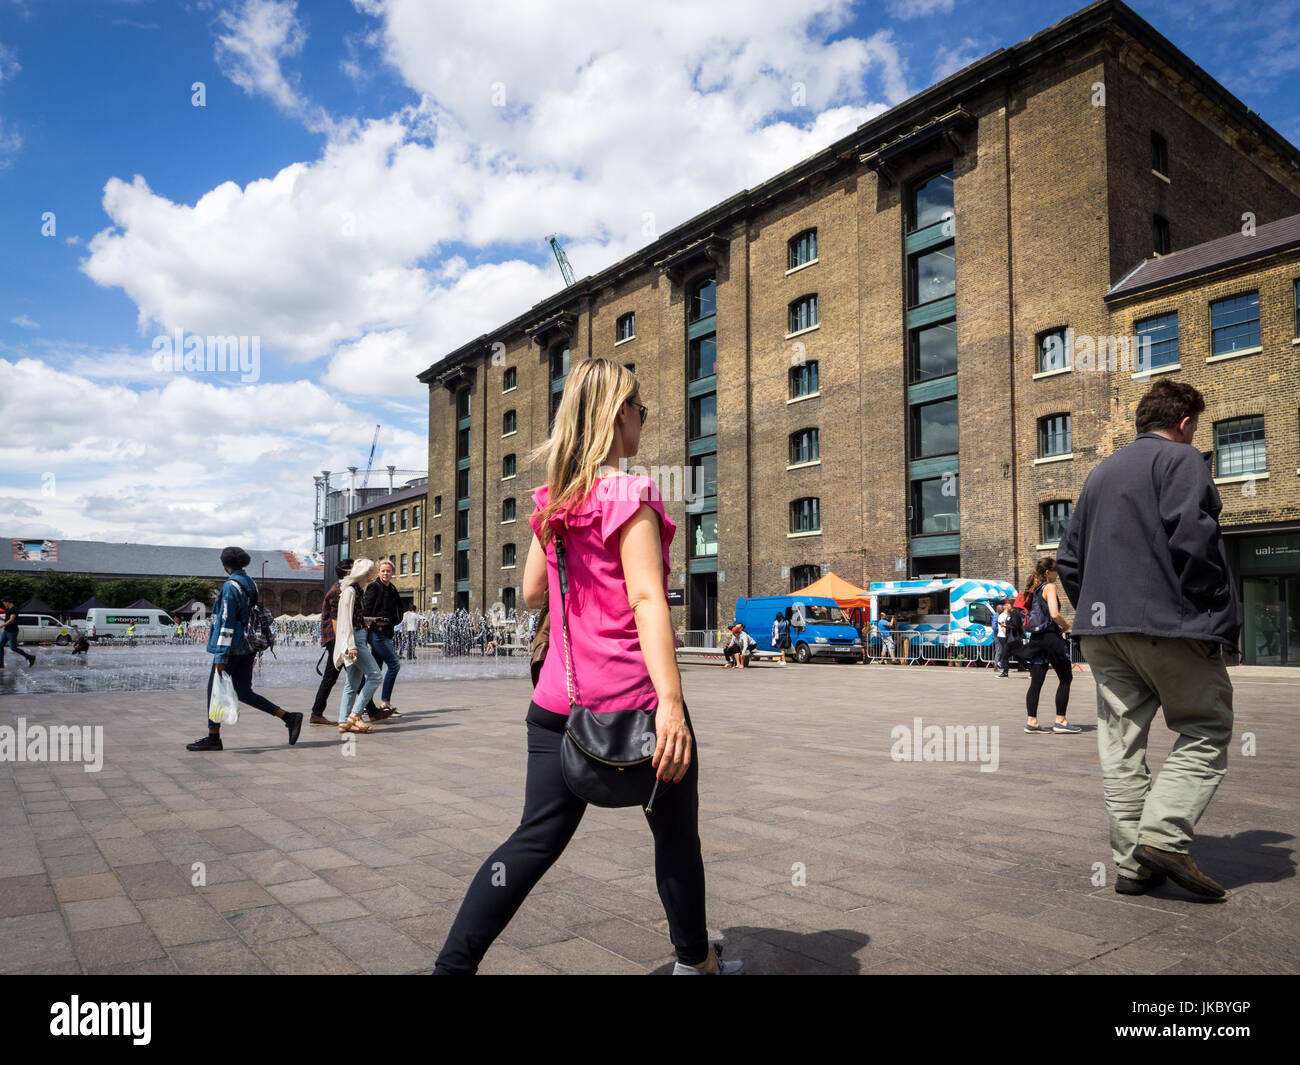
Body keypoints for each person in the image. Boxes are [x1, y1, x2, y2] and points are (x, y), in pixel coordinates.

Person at [434, 358, 741, 975]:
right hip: (636, 706)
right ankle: (694, 964)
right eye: (639, 408)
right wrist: (674, 706)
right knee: (676, 840)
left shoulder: (552, 502)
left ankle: (452, 968)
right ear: (618, 414)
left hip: (557, 705)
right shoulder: (630, 494)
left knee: (532, 840)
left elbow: (527, 594)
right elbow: (648, 599)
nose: (643, 420)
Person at [1057, 379, 1240, 899]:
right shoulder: (1183, 461)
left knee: (1121, 748)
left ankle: (1132, 866)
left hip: (1102, 633)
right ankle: (1163, 837)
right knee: (1205, 727)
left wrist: (1097, 605)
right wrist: (1209, 610)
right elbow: (1195, 539)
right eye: (1195, 427)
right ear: (1184, 423)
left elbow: (1070, 561)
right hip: (1170, 625)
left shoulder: (1099, 474)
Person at [186, 547, 302, 752]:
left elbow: (226, 620)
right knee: (243, 692)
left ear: (225, 565)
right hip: (248, 646)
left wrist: (221, 654)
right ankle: (289, 717)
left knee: (214, 689)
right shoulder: (250, 583)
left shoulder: (231, 586)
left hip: (232, 649)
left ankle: (214, 737)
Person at [1020, 558, 1078, 735]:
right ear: (1048, 572)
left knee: (1036, 682)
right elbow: (1054, 614)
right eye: (1056, 571)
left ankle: (1032, 721)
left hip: (1036, 639)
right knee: (1066, 678)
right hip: (1051, 638)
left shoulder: (1034, 589)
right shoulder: (1049, 587)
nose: (1058, 574)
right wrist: (1067, 626)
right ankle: (1060, 720)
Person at [334, 558, 381, 735]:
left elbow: (353, 617)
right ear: (363, 573)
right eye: (370, 572)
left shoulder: (358, 591)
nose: (372, 575)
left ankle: (343, 721)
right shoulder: (350, 591)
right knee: (375, 676)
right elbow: (345, 620)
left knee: (351, 684)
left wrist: (366, 620)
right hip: (354, 641)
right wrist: (351, 645)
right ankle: (354, 715)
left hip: (357, 636)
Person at [308, 561, 352, 726]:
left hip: (335, 639)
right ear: (348, 573)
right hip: (336, 639)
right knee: (352, 675)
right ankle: (371, 710)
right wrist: (343, 642)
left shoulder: (342, 588)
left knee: (334, 676)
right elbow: (336, 618)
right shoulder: (339, 590)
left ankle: (316, 713)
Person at [361, 560, 403, 720]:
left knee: (374, 671)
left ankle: (366, 704)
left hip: (386, 633)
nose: (386, 573)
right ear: (379, 572)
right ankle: (385, 703)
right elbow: (365, 611)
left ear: (392, 573)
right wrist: (375, 623)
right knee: (394, 664)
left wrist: (394, 621)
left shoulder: (392, 589)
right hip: (376, 633)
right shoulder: (374, 587)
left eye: (389, 571)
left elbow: (399, 609)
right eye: (383, 571)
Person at [0, 597, 35, 668]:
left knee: (13, 648)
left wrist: (1, 626)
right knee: (0, 646)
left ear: (8, 602)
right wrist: (1, 619)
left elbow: (11, 620)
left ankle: (30, 657)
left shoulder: (14, 609)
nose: (4, 605)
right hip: (6, 631)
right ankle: (1, 663)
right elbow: (7, 620)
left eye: (4, 603)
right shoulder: (7, 609)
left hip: (12, 631)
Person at [994, 601, 1011, 677]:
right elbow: (1002, 626)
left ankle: (1004, 667)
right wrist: (1006, 634)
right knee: (1003, 652)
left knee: (1005, 653)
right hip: (1002, 636)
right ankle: (1001, 667)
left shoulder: (1007, 615)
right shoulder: (1002, 616)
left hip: (1004, 636)